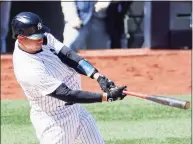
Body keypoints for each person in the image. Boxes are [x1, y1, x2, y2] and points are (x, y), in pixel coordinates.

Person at [12, 12, 127, 144]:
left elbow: (68, 55)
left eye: (41, 34)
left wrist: (98, 76)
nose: (41, 39)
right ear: (20, 38)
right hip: (55, 121)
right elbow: (66, 94)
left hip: (76, 110)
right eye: (36, 37)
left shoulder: (43, 39)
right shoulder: (28, 69)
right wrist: (107, 97)